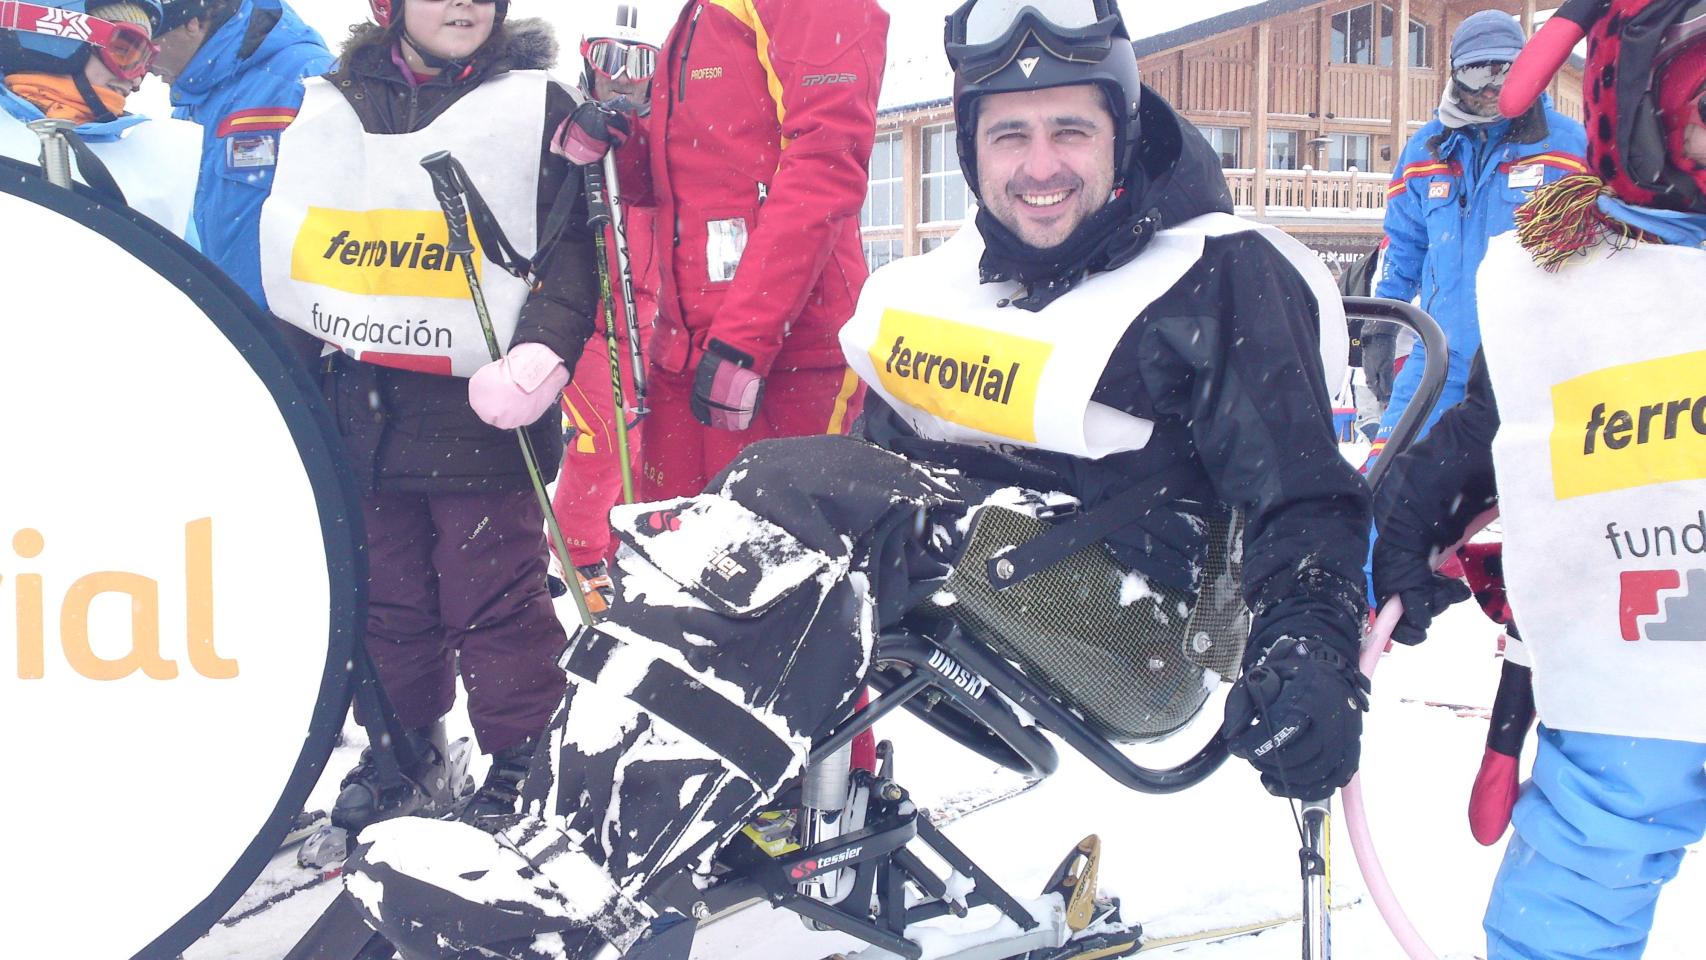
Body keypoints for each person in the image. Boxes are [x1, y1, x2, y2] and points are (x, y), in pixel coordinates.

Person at [339, 3, 1373, 958]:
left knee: (790, 490)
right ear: (971, 152)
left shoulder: (1219, 274)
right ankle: (564, 823)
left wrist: (1311, 641)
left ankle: (585, 871)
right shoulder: (974, 275)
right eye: (1007, 138)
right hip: (980, 569)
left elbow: (1303, 490)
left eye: (1069, 131)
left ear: (1123, 136)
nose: (1038, 167)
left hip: (1131, 629)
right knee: (714, 530)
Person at [1373, 2, 1706, 955]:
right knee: (1577, 883)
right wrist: (1420, 506)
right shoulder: (1572, 247)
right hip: (1639, 658)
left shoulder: (1552, 153)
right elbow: (1501, 397)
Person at [255, 0, 598, 827]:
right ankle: (406, 748)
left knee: (497, 596)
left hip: (481, 412)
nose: (463, 5)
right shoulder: (337, 104)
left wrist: (543, 352)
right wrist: (283, 387)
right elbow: (305, 250)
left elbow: (571, 251)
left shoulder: (535, 107)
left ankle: (523, 755)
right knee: (388, 595)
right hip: (362, 413)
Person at [559, 0, 889, 504]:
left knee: (773, 556)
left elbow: (827, 158)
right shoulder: (697, 18)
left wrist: (745, 340)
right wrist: (622, 149)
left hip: (783, 355)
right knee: (669, 549)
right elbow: (686, 179)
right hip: (686, 346)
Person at [1369, 10, 1587, 463]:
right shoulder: (1424, 153)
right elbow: (1403, 246)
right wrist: (1379, 327)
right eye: (1476, 72)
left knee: (1541, 493)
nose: (1490, 87)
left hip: (1534, 358)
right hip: (1440, 358)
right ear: (1454, 75)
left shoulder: (1571, 149)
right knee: (1385, 480)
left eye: (1504, 70)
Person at [547, 2, 661, 612]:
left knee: (642, 440)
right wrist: (577, 139)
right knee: (608, 436)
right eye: (608, 58)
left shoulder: (668, 140)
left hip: (650, 322)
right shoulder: (569, 125)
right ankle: (578, 548)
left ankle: (615, 542)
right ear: (587, 60)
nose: (622, 74)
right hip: (584, 317)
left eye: (638, 60)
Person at [147, 0, 332, 310]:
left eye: (149, 39)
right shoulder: (193, 95)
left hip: (285, 334)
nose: (142, 60)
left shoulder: (307, 77)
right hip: (219, 323)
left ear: (192, 22)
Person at [0, 0, 201, 235]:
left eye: (145, 62)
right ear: (59, 37)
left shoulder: (154, 166)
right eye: (125, 51)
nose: (136, 81)